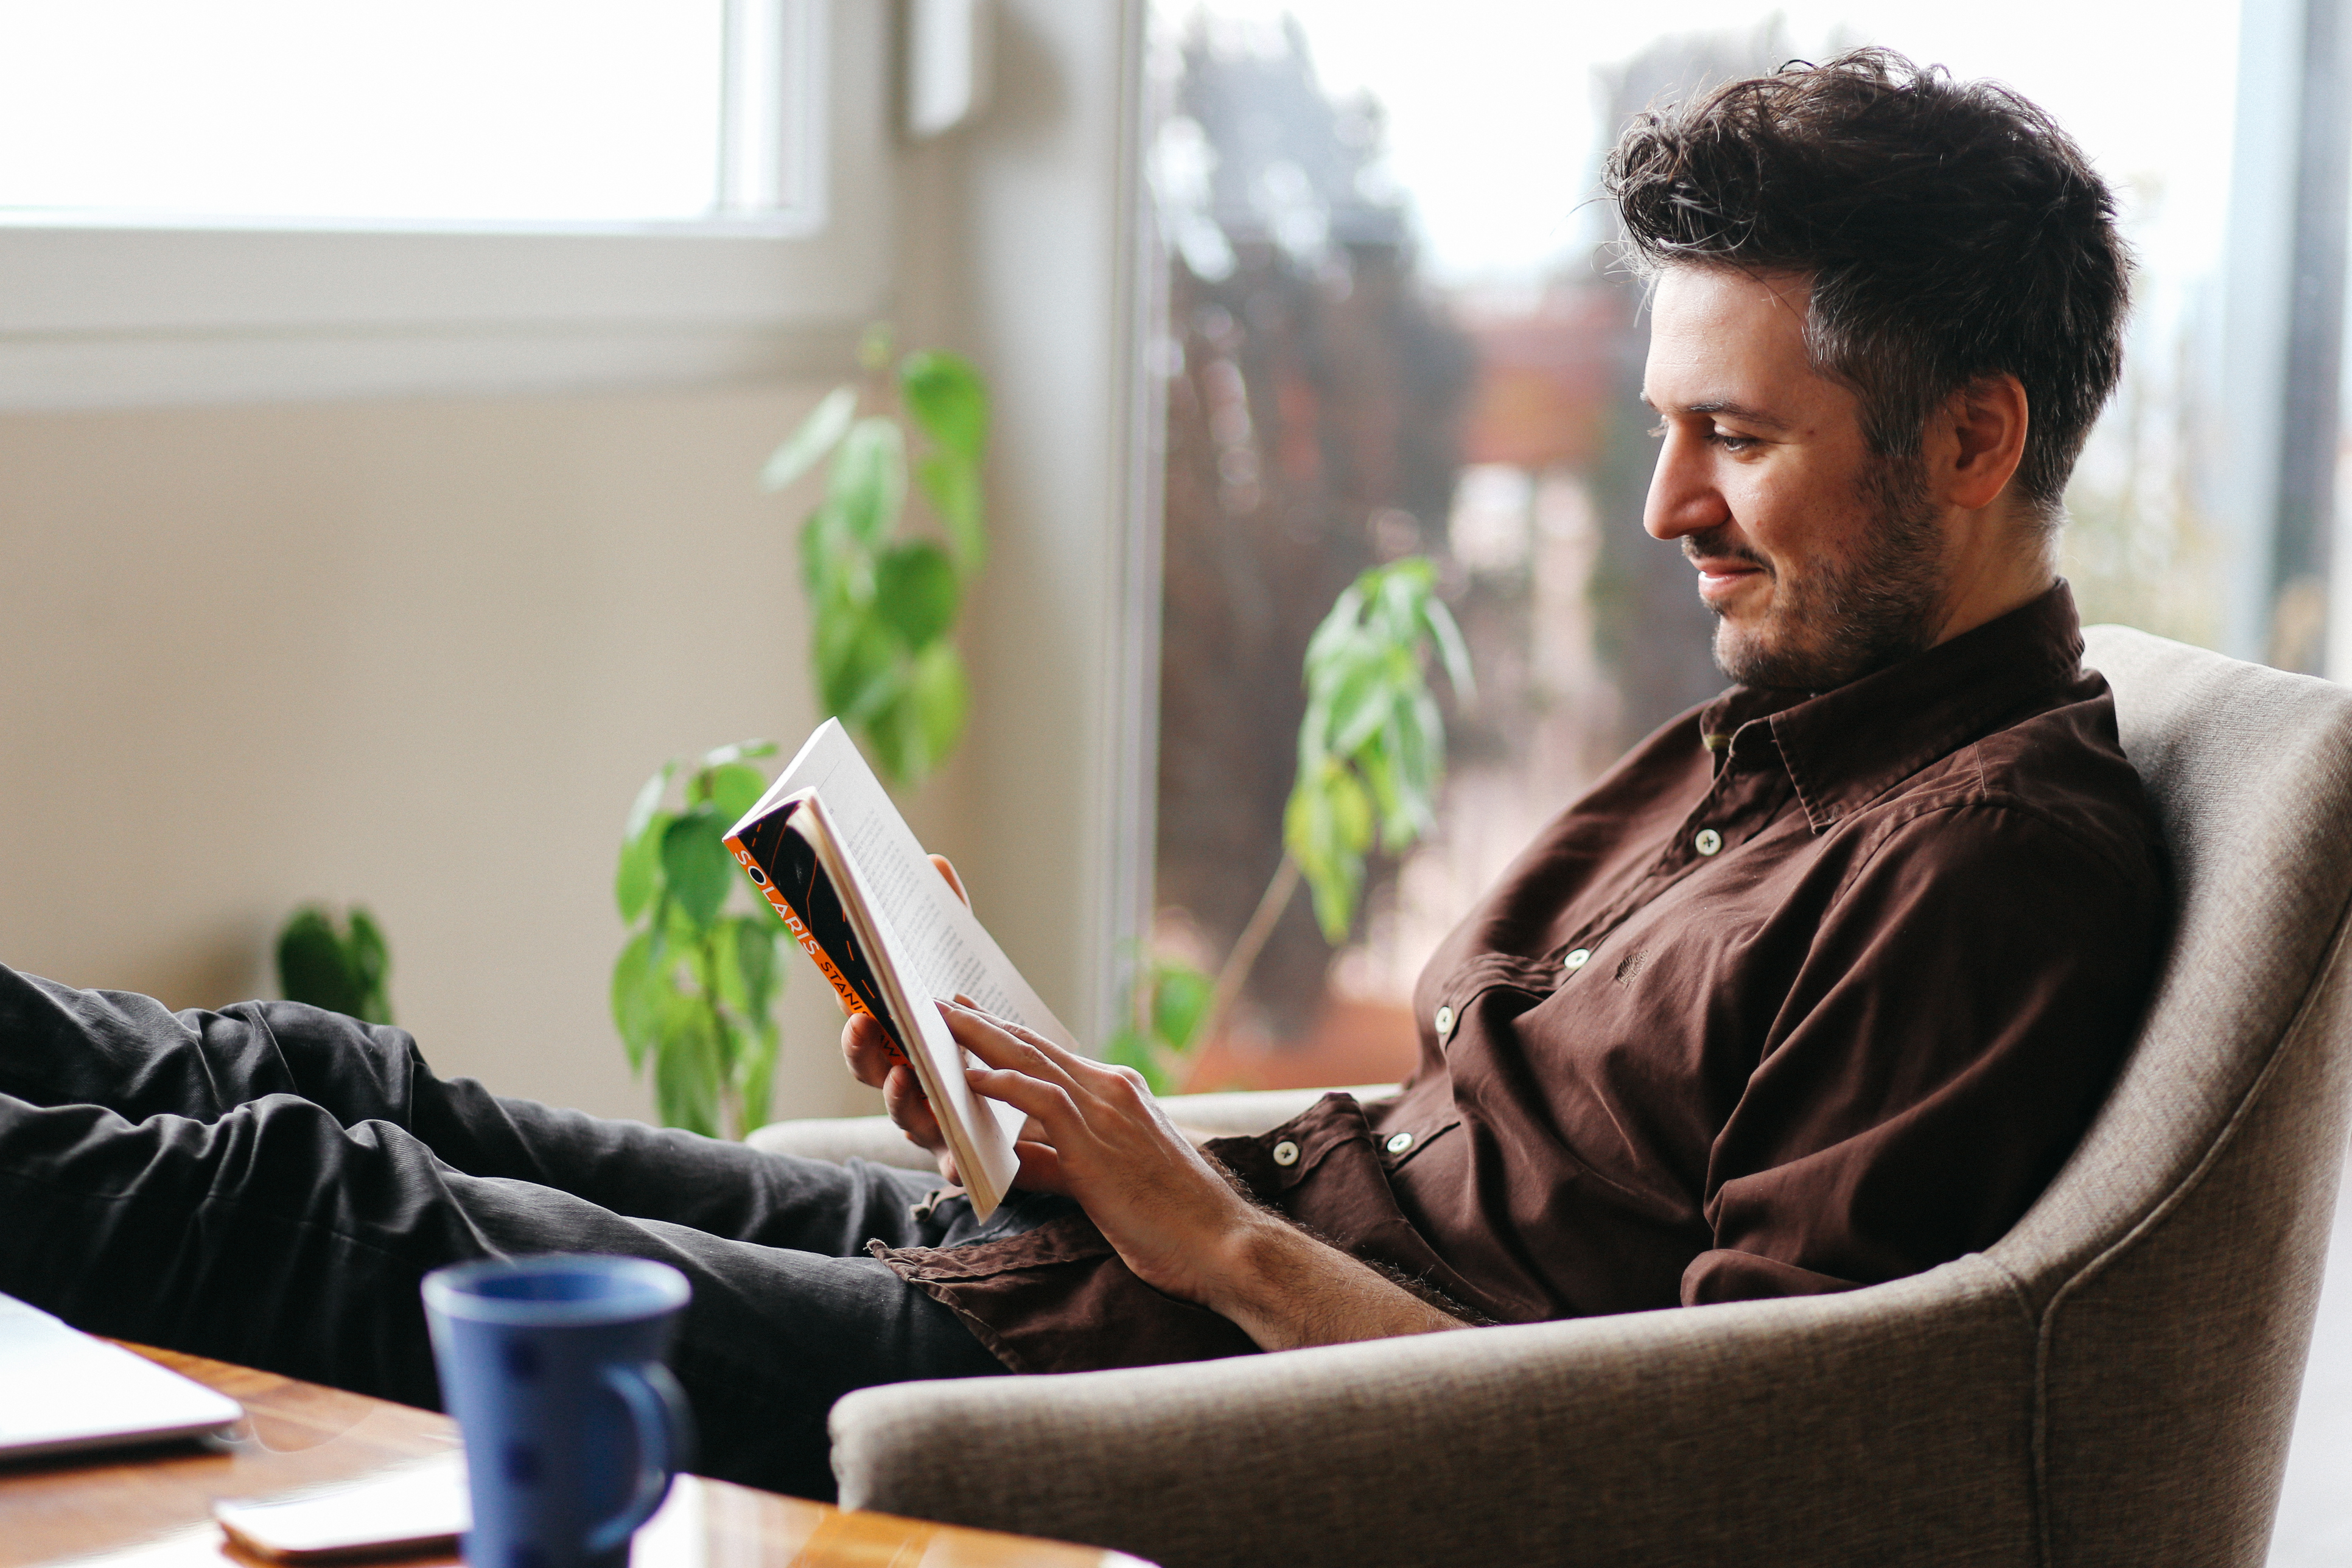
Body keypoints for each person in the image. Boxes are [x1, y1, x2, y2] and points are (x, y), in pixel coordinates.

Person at [0, 49, 2164, 1502]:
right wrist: (1021, 1100)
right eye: (1668, 427)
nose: (1662, 505)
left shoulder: (1986, 869)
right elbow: (1456, 1177)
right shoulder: (1783, 740)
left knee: (295, 1201)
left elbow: (1682, 1473)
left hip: (1158, 1409)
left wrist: (1202, 1239)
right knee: (312, 1077)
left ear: (1972, 438)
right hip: (1101, 1279)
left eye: (1741, 441)